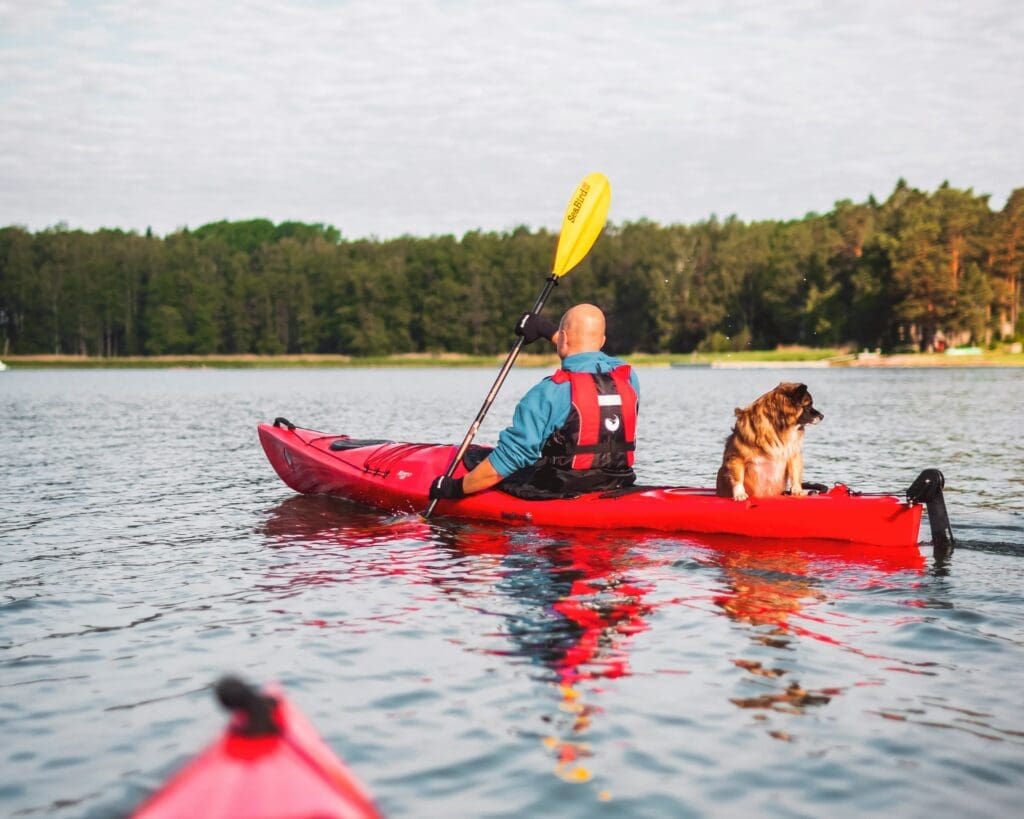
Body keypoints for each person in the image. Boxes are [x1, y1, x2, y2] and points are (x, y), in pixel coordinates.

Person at [429, 303, 640, 501]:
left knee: (476, 458)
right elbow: (597, 359)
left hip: (562, 488)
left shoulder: (550, 392)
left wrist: (454, 489)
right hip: (618, 481)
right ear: (602, 342)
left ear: (564, 338)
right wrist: (544, 329)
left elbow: (510, 458)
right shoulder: (628, 379)